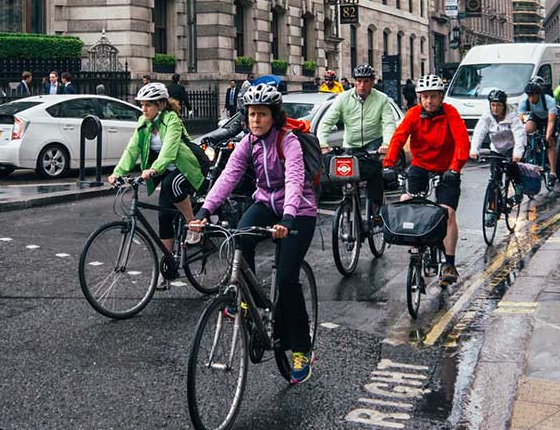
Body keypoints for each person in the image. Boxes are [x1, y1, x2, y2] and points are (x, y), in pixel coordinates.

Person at [189, 83, 318, 385]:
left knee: (286, 279)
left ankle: (301, 348)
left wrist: (287, 217)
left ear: (274, 115)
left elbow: (296, 180)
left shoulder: (289, 142)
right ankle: (252, 303)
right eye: (251, 115)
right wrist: (204, 212)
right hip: (265, 202)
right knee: (239, 237)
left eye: (261, 114)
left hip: (298, 210)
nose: (255, 120)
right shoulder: (248, 142)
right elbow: (228, 177)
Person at [109, 82, 205, 286]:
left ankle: (193, 226)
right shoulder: (143, 122)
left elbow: (169, 149)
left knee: (172, 186)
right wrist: (118, 172)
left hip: (188, 166)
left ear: (161, 104)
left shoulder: (172, 120)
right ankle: (167, 268)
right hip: (166, 170)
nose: (144, 109)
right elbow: (132, 149)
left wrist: (154, 169)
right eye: (142, 104)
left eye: (148, 105)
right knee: (163, 218)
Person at [384, 74, 470, 285]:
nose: (429, 101)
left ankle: (449, 264)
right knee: (406, 202)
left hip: (447, 169)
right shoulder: (413, 114)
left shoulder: (451, 113)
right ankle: (416, 250)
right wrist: (388, 164)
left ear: (441, 97)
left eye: (433, 96)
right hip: (420, 166)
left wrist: (455, 168)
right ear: (419, 98)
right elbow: (398, 138)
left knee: (447, 213)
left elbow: (462, 142)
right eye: (425, 97)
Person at [317, 64, 397, 219]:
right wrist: (323, 145)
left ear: (372, 82)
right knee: (345, 175)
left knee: (374, 173)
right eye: (359, 81)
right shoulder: (343, 98)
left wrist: (386, 144)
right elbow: (326, 122)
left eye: (366, 81)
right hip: (350, 144)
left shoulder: (381, 99)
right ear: (354, 81)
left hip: (373, 143)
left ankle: (377, 206)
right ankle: (349, 200)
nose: (362, 85)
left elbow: (388, 124)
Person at [471, 88, 529, 219]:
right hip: (496, 148)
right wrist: (475, 149)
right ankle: (492, 210)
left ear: (504, 105)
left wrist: (518, 153)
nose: (495, 108)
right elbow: (479, 132)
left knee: (512, 168)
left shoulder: (512, 116)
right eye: (493, 105)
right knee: (494, 179)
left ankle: (518, 187)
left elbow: (520, 134)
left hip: (510, 148)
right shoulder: (487, 116)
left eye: (498, 105)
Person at [521, 77, 559, 190]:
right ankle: (535, 149)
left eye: (533, 95)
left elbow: (551, 121)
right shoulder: (524, 102)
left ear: (538, 94)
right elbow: (521, 120)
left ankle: (553, 172)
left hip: (548, 118)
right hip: (536, 117)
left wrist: (548, 136)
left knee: (549, 141)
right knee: (526, 129)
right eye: (529, 95)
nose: (531, 98)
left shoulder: (548, 100)